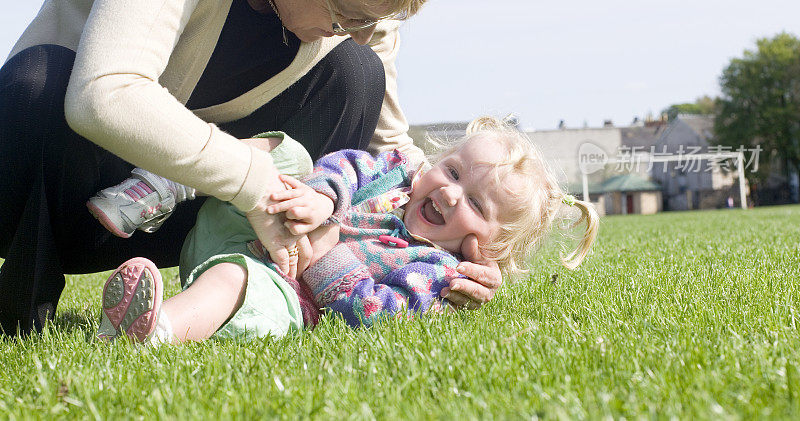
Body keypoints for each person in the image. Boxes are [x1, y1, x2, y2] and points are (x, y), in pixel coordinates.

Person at [0, 0, 502, 335]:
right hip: (53, 181)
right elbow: (102, 95)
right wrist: (253, 181)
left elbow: (390, 152)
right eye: (351, 17)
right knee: (39, 81)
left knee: (356, 74)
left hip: (173, 218)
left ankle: (260, 285)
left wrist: (455, 258)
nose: (365, 32)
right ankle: (24, 297)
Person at [93, 117, 599, 343]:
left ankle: (156, 329)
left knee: (237, 280)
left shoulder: (435, 273)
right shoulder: (396, 178)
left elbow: (375, 314)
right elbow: (350, 165)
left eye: (474, 203)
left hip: (274, 287)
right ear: (433, 164)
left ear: (490, 246)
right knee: (289, 152)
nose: (448, 193)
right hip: (240, 222)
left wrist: (324, 258)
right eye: (453, 173)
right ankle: (169, 182)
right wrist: (320, 196)